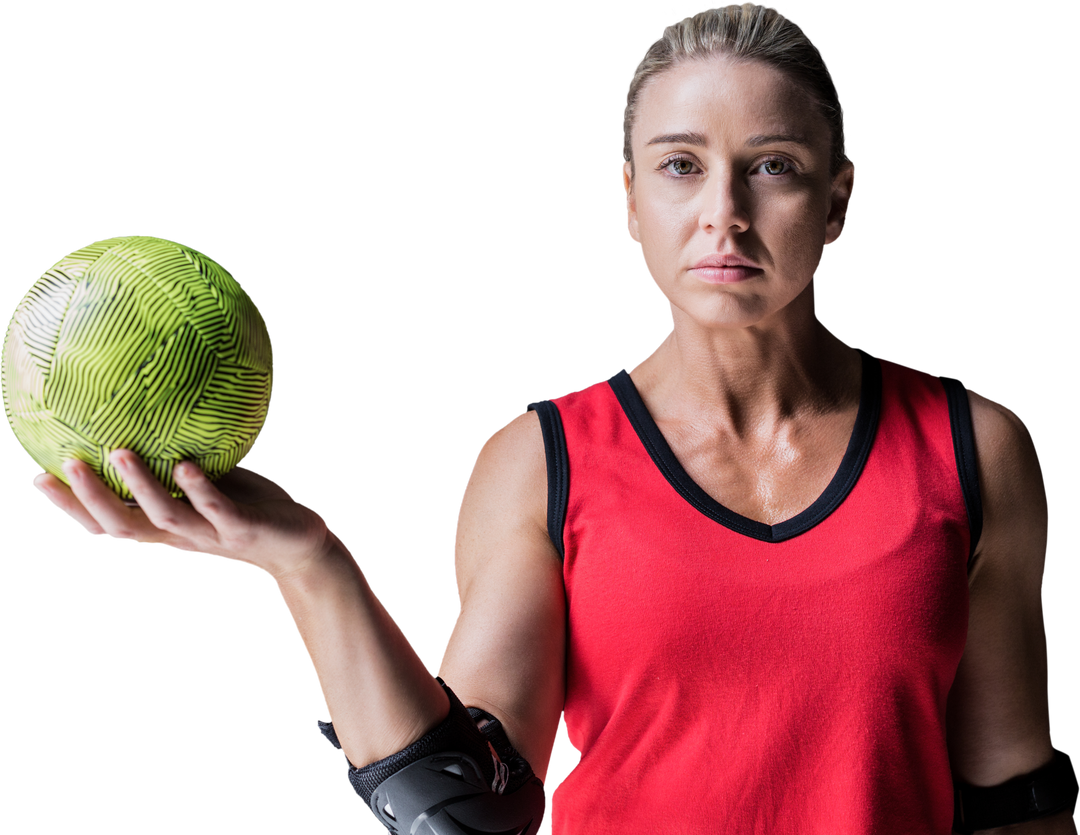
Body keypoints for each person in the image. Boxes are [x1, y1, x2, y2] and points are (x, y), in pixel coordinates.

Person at [28, 2, 1077, 833]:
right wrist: (308, 559)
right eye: (680, 166)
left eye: (772, 167)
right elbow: (468, 805)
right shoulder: (542, 461)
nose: (724, 211)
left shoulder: (974, 447)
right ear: (630, 203)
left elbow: (1011, 797)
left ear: (839, 201)